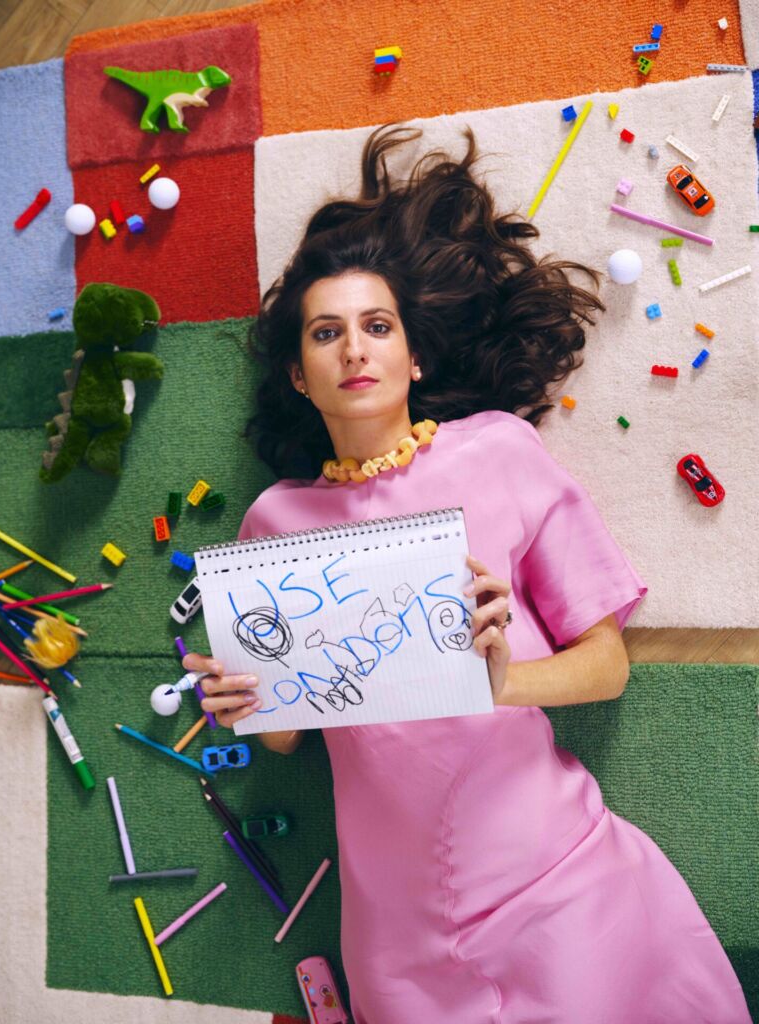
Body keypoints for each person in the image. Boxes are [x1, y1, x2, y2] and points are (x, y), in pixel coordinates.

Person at [185, 123, 752, 1023]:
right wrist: (243, 704)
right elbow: (287, 739)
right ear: (299, 375)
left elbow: (607, 665)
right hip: (397, 932)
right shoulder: (275, 523)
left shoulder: (498, 451)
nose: (355, 349)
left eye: (377, 327)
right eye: (327, 334)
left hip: (552, 875)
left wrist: (503, 679)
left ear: (414, 356)